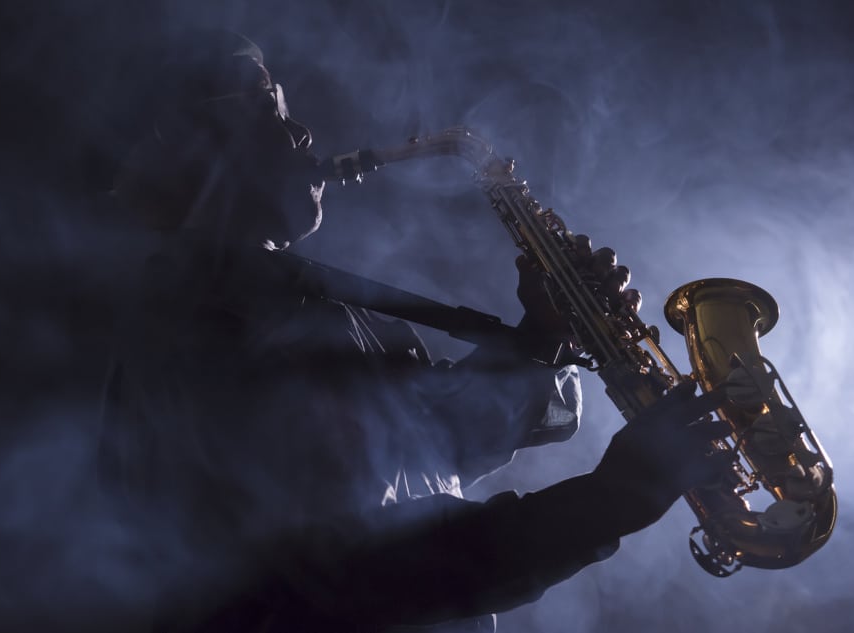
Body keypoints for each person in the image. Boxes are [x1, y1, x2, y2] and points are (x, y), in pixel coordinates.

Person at [98, 31, 732, 633]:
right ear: (195, 145)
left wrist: (544, 335)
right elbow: (347, 578)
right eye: (268, 107)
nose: (303, 131)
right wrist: (612, 499)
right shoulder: (194, 322)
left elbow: (435, 447)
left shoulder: (305, 303)